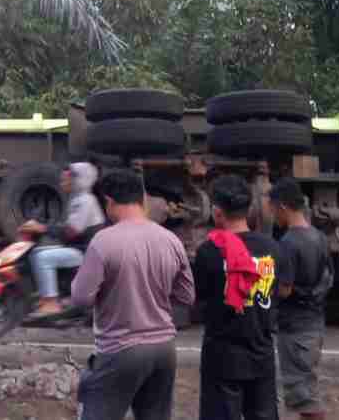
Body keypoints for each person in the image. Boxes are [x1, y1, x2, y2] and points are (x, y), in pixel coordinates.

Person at [69, 169, 195, 420]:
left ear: (109, 202)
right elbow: (187, 297)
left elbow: (81, 298)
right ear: (143, 200)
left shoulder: (103, 241)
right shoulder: (171, 240)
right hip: (164, 349)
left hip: (121, 349)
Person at [195, 174, 290, 420]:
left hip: (222, 355)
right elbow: (282, 291)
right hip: (262, 352)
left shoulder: (209, 251)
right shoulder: (274, 248)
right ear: (249, 209)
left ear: (216, 212)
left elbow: (199, 299)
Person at [269, 178, 332, 420]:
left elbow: (284, 290)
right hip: (315, 323)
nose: (273, 216)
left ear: (283, 207)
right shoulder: (319, 237)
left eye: (273, 210)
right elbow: (327, 278)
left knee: (304, 397)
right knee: (305, 389)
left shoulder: (288, 243)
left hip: (295, 327)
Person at [21, 162, 107, 317]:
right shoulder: (77, 199)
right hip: (81, 248)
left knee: (43, 258)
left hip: (88, 253)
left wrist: (42, 228)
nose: (62, 183)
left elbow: (71, 231)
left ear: (78, 180)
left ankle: (51, 303)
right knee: (37, 252)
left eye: (66, 179)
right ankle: (45, 295)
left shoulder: (86, 201)